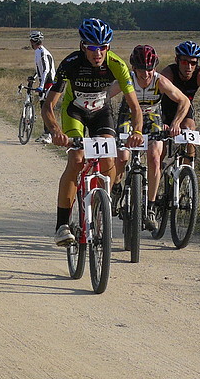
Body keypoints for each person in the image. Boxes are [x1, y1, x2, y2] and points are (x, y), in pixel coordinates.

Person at [42, 18, 144, 246]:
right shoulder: (70, 63)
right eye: (92, 47)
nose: (98, 53)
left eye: (103, 47)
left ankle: (101, 204)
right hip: (75, 112)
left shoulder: (117, 64)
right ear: (83, 46)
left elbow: (135, 107)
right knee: (76, 159)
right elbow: (48, 106)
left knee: (109, 156)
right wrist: (56, 131)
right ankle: (62, 225)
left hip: (101, 113)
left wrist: (137, 131)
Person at [108, 45, 190, 229]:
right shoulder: (127, 79)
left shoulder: (159, 81)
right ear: (133, 68)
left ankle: (151, 207)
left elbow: (183, 100)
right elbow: (104, 96)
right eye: (141, 70)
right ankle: (116, 188)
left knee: (154, 157)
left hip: (153, 116)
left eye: (150, 69)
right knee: (122, 156)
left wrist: (176, 123)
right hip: (128, 115)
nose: (146, 75)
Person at [160, 40, 200, 162]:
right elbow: (154, 100)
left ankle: (188, 172)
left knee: (189, 128)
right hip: (164, 109)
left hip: (185, 109)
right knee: (161, 150)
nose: (189, 67)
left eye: (193, 63)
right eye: (184, 62)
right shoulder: (168, 74)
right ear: (177, 60)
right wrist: (158, 121)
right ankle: (158, 173)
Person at [29, 30, 56, 144]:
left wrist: (41, 85)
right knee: (43, 109)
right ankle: (46, 133)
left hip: (48, 82)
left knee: (47, 108)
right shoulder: (37, 52)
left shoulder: (43, 52)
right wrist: (34, 76)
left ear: (33, 41)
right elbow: (39, 69)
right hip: (43, 82)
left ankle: (50, 134)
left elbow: (46, 69)